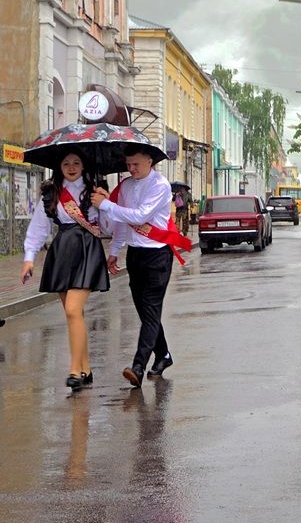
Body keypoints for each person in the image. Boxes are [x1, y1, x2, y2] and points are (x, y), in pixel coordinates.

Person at [92, 145, 189, 388]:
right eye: (128, 164)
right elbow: (122, 222)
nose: (131, 168)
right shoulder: (126, 186)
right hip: (135, 255)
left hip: (157, 255)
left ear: (149, 161)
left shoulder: (160, 185)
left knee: (151, 310)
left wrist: (105, 204)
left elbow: (139, 216)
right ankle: (163, 354)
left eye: (136, 164)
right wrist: (114, 251)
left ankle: (138, 366)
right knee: (146, 313)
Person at [20, 150, 109, 391]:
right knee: (75, 314)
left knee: (72, 309)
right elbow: (39, 227)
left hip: (87, 250)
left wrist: (106, 204)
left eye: (76, 163)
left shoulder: (94, 191)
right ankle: (86, 368)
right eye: (66, 163)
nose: (71, 167)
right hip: (62, 251)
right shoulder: (52, 193)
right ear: (59, 166)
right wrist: (29, 258)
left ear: (83, 166)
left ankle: (74, 371)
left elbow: (108, 227)